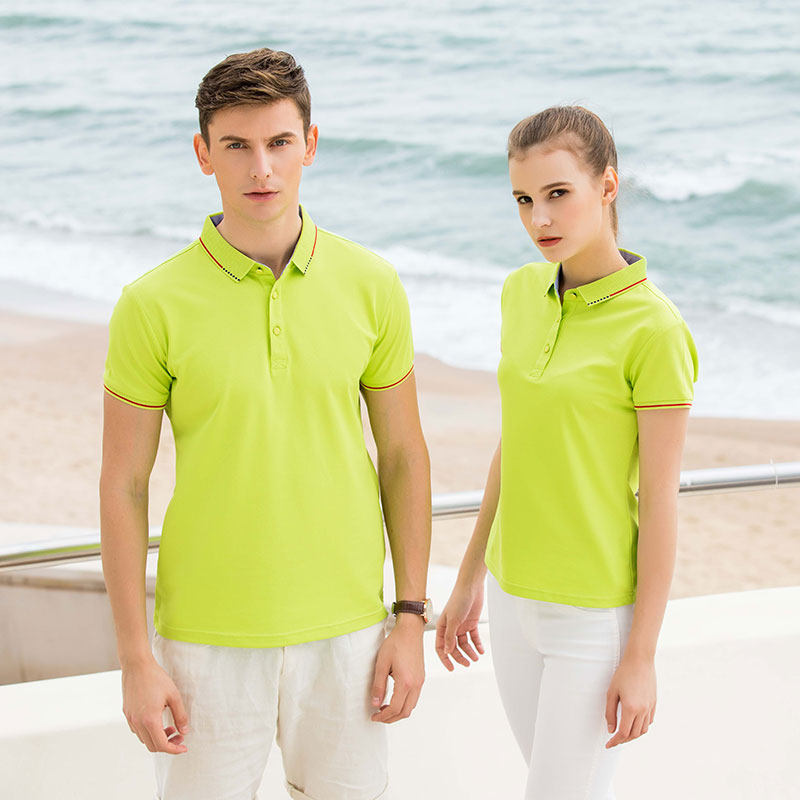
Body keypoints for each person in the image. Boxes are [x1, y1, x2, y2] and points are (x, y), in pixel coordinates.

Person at [99, 47, 432, 800]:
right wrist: (135, 659)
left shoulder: (372, 284)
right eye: (237, 146)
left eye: (280, 142)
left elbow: (404, 454)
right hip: (204, 639)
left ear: (310, 144)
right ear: (203, 154)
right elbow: (123, 484)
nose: (262, 169)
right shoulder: (151, 305)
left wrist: (410, 618)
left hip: (349, 630)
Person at [435, 106, 698, 799]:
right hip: (510, 598)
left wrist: (641, 655)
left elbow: (660, 501)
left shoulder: (656, 331)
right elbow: (516, 443)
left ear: (607, 187)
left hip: (592, 617)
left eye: (558, 193)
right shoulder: (520, 293)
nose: (539, 219)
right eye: (524, 199)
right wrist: (468, 577)